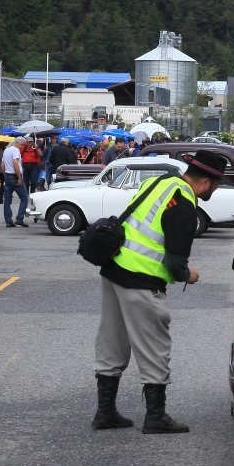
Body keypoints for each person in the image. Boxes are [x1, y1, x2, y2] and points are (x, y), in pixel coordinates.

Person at [91, 150, 221, 435]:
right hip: (141, 281)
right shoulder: (184, 204)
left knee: (112, 342)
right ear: (206, 182)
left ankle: (105, 412)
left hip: (113, 270)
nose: (214, 190)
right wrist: (189, 275)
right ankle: (155, 417)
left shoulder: (160, 182)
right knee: (154, 349)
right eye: (216, 184)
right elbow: (175, 262)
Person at [1, 136, 31, 227]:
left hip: (8, 175)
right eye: (22, 145)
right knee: (24, 198)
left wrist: (5, 176)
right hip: (14, 176)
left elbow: (2, 165)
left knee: (7, 200)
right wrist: (19, 177)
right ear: (17, 142)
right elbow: (15, 163)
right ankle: (19, 218)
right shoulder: (15, 150)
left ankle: (8, 220)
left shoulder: (6, 150)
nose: (22, 147)